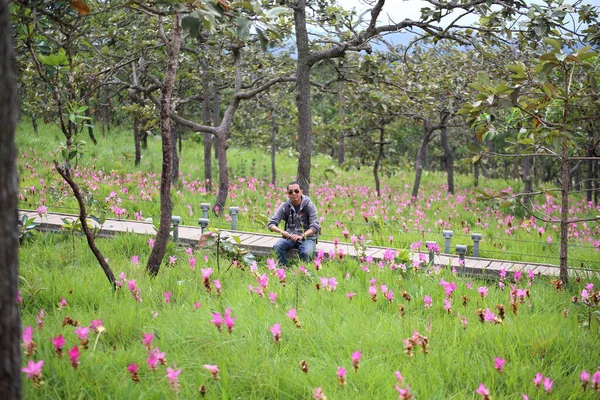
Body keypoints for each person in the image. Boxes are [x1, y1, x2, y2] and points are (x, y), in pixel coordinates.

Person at [267, 181, 320, 267]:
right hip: (289, 237)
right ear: (287, 194)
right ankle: (283, 270)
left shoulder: (309, 205)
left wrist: (302, 235)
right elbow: (271, 224)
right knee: (277, 246)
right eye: (291, 192)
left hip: (307, 238)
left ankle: (305, 273)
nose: (294, 194)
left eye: (296, 191)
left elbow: (315, 226)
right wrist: (283, 232)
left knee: (307, 253)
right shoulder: (285, 206)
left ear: (301, 191)